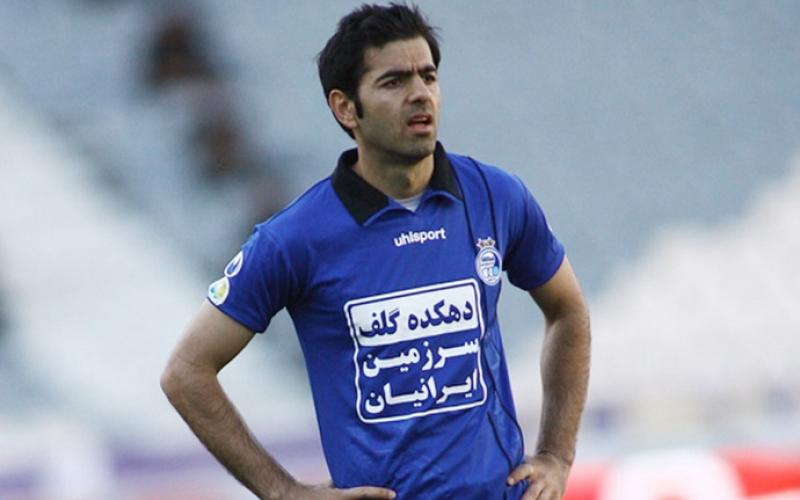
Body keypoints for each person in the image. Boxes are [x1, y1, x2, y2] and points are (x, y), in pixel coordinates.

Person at [161, 3, 590, 499]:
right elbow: (186, 372)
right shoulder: (296, 238)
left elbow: (567, 309)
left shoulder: (497, 197)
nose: (420, 93)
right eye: (394, 82)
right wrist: (283, 492)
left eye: (428, 76)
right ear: (346, 108)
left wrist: (557, 454)